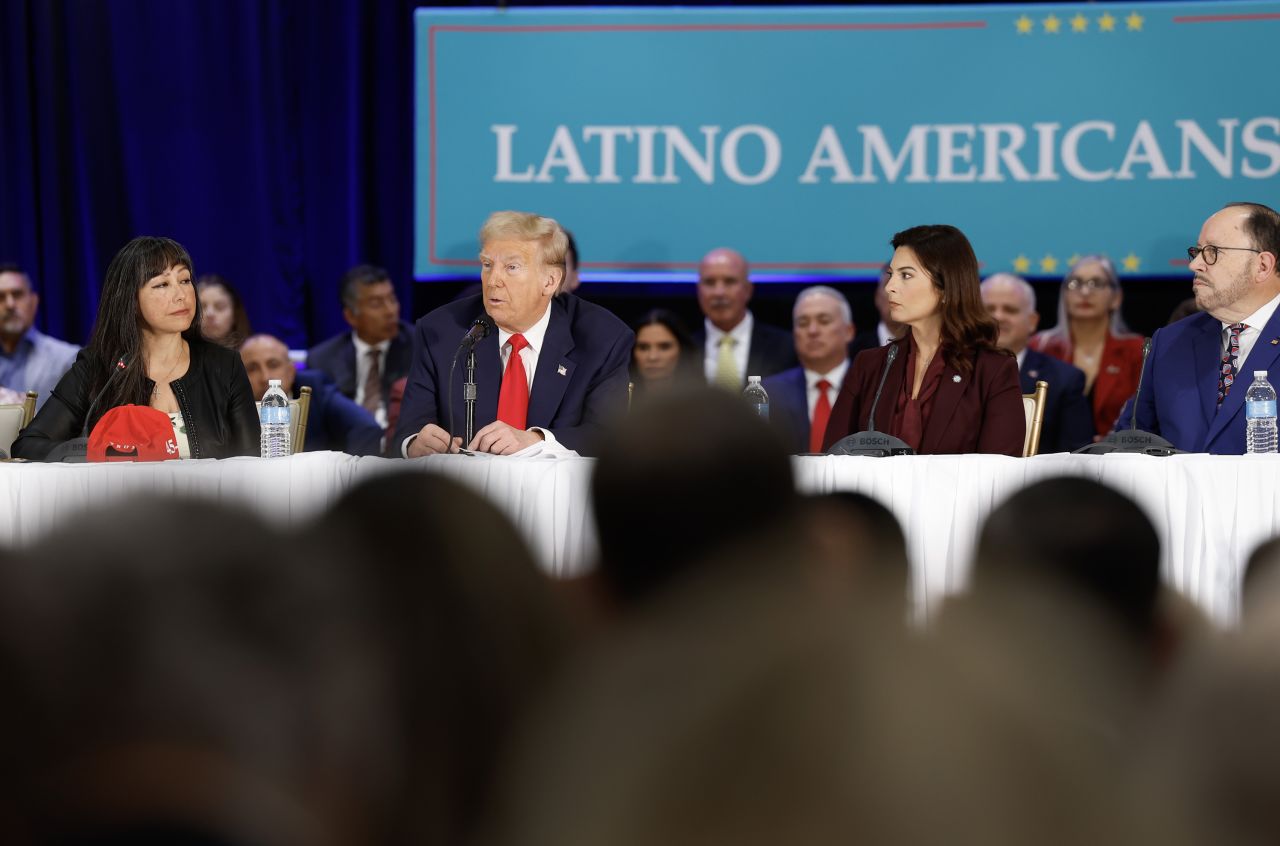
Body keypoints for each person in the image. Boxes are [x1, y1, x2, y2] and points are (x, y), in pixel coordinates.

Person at [393, 210, 632, 457]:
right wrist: (413, 445)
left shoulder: (603, 338)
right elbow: (407, 433)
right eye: (487, 265)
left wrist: (536, 440)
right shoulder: (441, 331)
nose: (493, 280)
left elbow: (606, 436)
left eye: (511, 267)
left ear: (550, 281)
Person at [12, 236, 260, 461]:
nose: (181, 294)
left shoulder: (224, 365)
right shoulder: (98, 369)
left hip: (207, 507)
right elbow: (29, 445)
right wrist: (94, 450)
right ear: (130, 300)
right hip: (122, 507)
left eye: (184, 280)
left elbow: (252, 460)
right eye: (162, 284)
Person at [822, 225, 1024, 455]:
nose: (890, 287)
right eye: (891, 274)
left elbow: (1000, 472)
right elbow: (832, 459)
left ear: (946, 287)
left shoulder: (992, 371)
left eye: (906, 275)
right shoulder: (869, 366)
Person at [1133, 202, 1280, 454]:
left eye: (1212, 252)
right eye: (1197, 252)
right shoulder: (1169, 342)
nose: (1195, 265)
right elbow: (1131, 440)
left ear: (1262, 266)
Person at [1028, 255, 1144, 438]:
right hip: (1051, 459)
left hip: (1118, 459)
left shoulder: (1137, 350)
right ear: (1064, 294)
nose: (1084, 292)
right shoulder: (1040, 346)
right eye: (1075, 283)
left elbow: (1145, 414)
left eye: (1096, 283)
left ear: (1116, 297)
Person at [981, 273, 1094, 453]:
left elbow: (1077, 456)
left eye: (1010, 310)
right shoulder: (954, 371)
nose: (998, 316)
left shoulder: (1065, 380)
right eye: (989, 309)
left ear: (1032, 321)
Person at [306, 263, 413, 431]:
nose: (390, 311)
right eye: (376, 304)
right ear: (350, 316)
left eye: (392, 299)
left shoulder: (419, 348)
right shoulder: (322, 359)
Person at [240, 333, 383, 456]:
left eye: (273, 364)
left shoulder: (314, 389)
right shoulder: (229, 404)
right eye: (252, 369)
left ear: (291, 370)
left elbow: (366, 428)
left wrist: (351, 482)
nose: (265, 377)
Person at [763, 286, 856, 453]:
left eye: (824, 321)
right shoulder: (768, 393)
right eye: (803, 323)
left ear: (848, 331)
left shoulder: (874, 389)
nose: (812, 331)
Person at [691, 247, 796, 390]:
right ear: (698, 290)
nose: (719, 292)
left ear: (748, 290)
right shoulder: (683, 349)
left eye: (729, 282)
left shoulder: (786, 347)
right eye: (710, 282)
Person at [0, 263, 79, 409]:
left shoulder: (67, 358)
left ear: (34, 302)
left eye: (17, 295)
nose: (10, 304)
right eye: (1, 297)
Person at [630, 308, 697, 397]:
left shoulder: (704, 399)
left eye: (664, 347)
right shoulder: (618, 401)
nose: (652, 357)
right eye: (643, 347)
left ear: (682, 349)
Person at [196, 273, 252, 349]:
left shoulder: (249, 356)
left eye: (220, 307)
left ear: (235, 315)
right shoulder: (178, 355)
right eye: (201, 307)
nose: (210, 314)